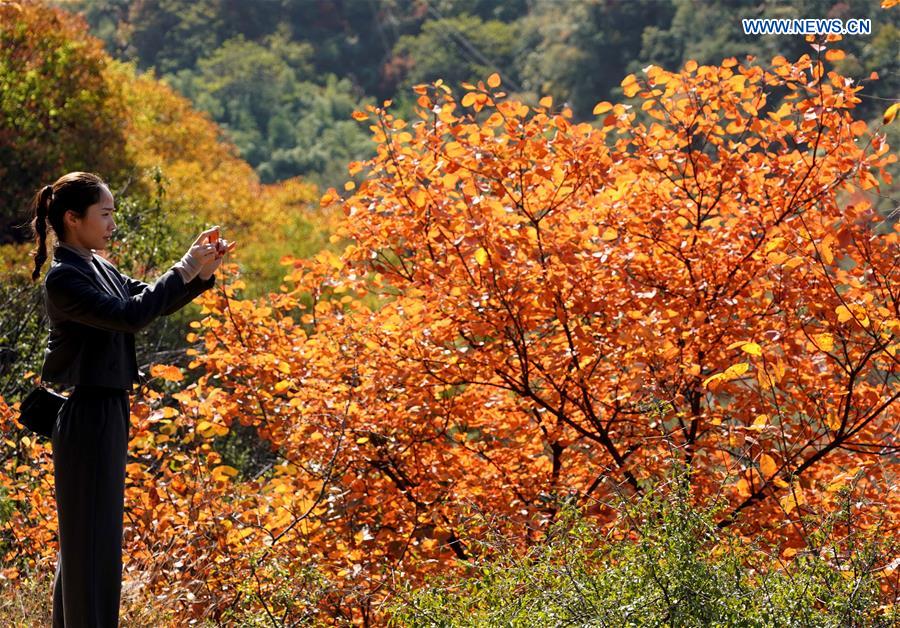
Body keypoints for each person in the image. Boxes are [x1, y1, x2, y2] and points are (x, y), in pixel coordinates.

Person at [28, 171, 235, 627]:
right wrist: (183, 266)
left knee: (89, 541)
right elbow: (131, 315)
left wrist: (199, 273)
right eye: (104, 214)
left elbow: (146, 299)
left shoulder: (97, 266)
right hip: (86, 413)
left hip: (107, 410)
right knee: (91, 544)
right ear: (73, 218)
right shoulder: (65, 278)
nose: (112, 224)